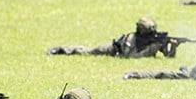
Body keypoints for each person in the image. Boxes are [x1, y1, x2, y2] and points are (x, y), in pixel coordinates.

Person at [46, 17, 180, 58]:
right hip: (112, 49)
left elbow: (168, 56)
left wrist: (173, 47)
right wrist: (152, 48)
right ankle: (62, 49)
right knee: (87, 51)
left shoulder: (155, 40)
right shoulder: (131, 38)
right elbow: (129, 56)